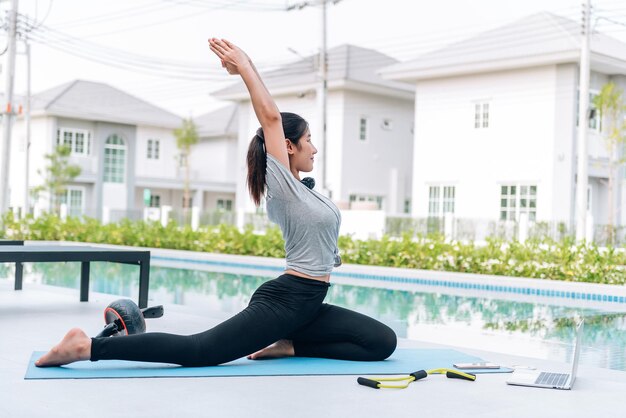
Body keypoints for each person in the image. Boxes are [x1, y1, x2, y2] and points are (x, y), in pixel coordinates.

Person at [35, 38, 397, 368]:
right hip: (287, 300)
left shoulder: (307, 190)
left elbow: (319, 239)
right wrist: (246, 67)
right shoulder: (283, 185)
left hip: (310, 302)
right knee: (200, 351)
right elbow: (270, 117)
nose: (314, 148)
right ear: (289, 146)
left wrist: (329, 254)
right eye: (309, 140)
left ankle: (288, 345)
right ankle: (86, 348)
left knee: (381, 343)